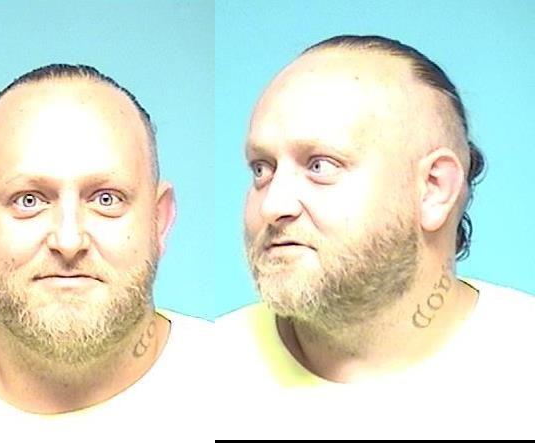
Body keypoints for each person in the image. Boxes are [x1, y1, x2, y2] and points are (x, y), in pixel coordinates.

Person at [216, 35, 535, 439]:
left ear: (433, 189)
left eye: (320, 165)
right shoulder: (205, 374)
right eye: (262, 169)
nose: (272, 206)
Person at [0, 64, 210, 441]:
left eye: (106, 199)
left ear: (159, 220)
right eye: (28, 200)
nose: (69, 240)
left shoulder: (235, 387)